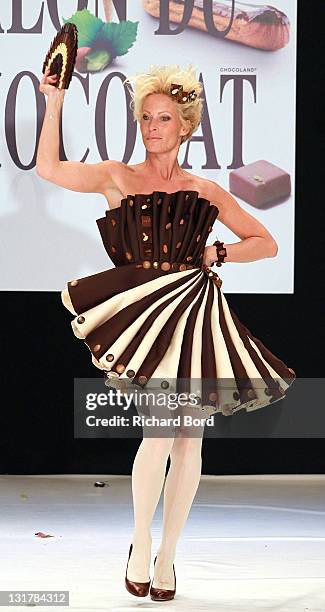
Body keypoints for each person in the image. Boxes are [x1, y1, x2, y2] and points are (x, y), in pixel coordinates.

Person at [37, 64, 295, 601]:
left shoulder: (204, 190)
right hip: (144, 315)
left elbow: (265, 242)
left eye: (165, 119)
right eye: (147, 118)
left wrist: (216, 251)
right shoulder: (118, 176)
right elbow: (48, 169)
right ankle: (139, 541)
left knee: (187, 438)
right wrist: (55, 101)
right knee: (162, 432)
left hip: (193, 315)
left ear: (185, 126)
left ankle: (168, 555)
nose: (153, 127)